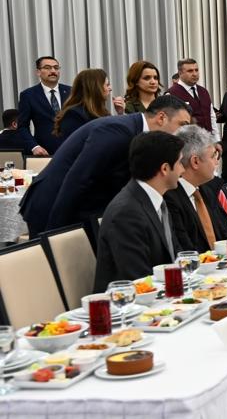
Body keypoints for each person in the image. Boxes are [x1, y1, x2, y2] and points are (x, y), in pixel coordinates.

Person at [19, 95, 192, 235]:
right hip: (52, 204)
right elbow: (78, 180)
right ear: (161, 118)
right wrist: (54, 233)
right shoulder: (117, 131)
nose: (183, 134)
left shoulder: (139, 133)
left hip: (81, 207)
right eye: (182, 125)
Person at [93, 131, 186, 292]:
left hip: (164, 292)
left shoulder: (156, 201)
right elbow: (137, 278)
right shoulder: (126, 213)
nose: (183, 169)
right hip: (128, 302)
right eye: (180, 163)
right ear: (165, 168)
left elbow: (175, 256)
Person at [164, 125, 227, 252]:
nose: (217, 162)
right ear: (195, 162)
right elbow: (186, 251)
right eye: (213, 156)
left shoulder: (207, 190)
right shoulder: (170, 198)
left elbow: (223, 234)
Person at [16, 56, 70, 155]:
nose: (53, 71)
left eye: (56, 68)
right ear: (38, 72)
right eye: (47, 67)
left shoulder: (72, 92)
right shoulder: (28, 95)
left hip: (73, 149)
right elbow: (22, 126)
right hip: (44, 152)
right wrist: (34, 147)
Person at [53, 69, 112, 142]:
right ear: (95, 87)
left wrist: (120, 113)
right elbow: (76, 145)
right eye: (107, 85)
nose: (110, 88)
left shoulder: (102, 111)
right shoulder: (73, 115)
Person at [168, 58, 216, 132]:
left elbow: (211, 116)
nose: (195, 74)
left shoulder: (204, 91)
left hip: (208, 137)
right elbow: (170, 122)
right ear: (180, 73)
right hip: (186, 138)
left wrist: (216, 137)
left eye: (196, 70)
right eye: (190, 71)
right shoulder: (171, 94)